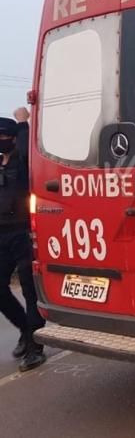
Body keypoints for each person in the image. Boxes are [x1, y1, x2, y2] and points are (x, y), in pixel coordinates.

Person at [0, 108, 46, 372]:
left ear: (14, 138)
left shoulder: (23, 162)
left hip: (23, 233)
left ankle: (34, 346)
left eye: (4, 135)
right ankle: (24, 329)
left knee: (29, 289)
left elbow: (30, 155)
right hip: (1, 236)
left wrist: (23, 123)